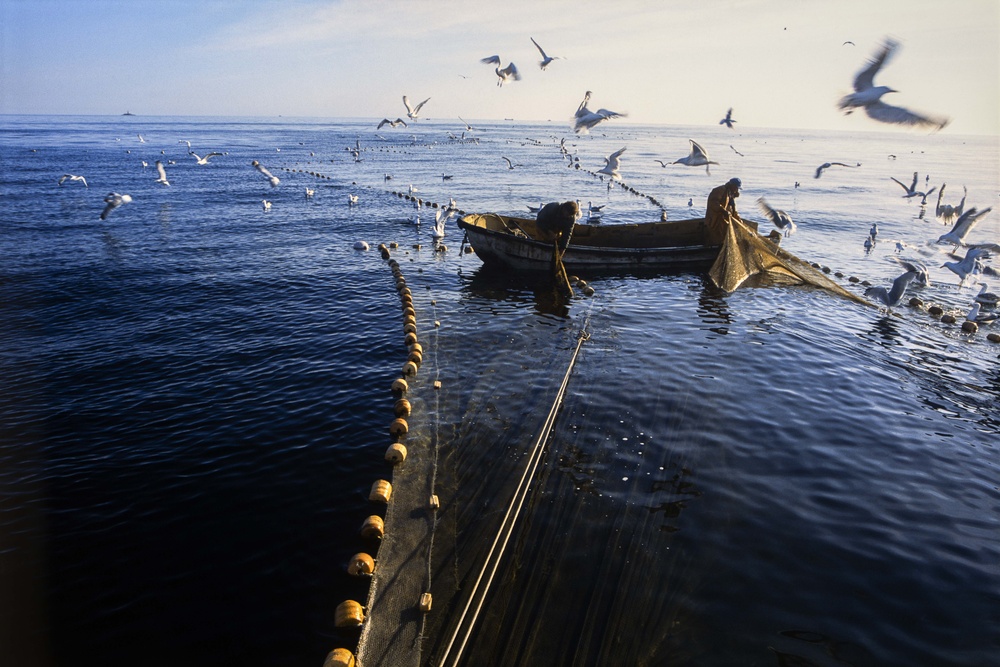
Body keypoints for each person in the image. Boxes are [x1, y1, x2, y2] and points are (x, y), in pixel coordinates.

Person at [535, 201, 580, 294]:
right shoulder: (552, 208)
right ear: (563, 209)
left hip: (556, 230)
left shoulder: (571, 218)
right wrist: (548, 231)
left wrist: (562, 251)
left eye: (570, 216)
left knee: (556, 238)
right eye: (567, 214)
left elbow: (567, 235)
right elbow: (539, 221)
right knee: (543, 236)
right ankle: (544, 241)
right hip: (543, 226)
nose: (568, 216)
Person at [704, 177, 755, 245]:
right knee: (717, 240)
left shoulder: (730, 194)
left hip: (723, 221)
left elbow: (734, 211)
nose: (737, 190)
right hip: (715, 221)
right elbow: (713, 203)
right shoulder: (720, 190)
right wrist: (723, 211)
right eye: (736, 188)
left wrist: (740, 222)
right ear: (732, 185)